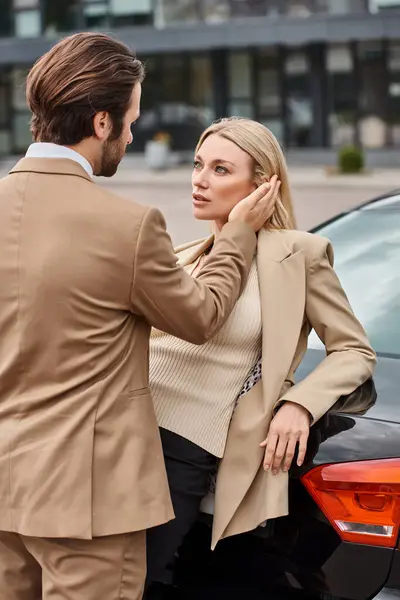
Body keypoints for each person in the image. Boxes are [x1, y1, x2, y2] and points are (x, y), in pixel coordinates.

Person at [0, 36, 279, 600]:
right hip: (91, 505)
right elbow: (201, 317)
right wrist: (239, 237)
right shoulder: (127, 226)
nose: (131, 136)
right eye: (130, 121)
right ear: (101, 122)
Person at [145, 117, 376, 597]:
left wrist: (298, 404)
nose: (199, 179)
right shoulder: (182, 255)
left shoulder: (298, 255)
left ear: (263, 183)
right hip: (119, 434)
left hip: (182, 451)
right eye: (197, 164)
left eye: (221, 169)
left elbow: (352, 350)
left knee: (133, 582)